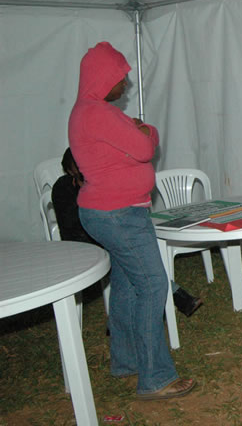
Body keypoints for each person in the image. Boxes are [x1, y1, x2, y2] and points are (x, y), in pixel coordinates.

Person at [70, 42, 195, 400]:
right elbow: (144, 147)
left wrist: (143, 130)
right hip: (118, 214)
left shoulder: (94, 110)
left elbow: (141, 136)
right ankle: (155, 377)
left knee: (127, 285)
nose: (125, 85)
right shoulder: (96, 112)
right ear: (102, 77)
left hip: (113, 212)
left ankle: (126, 361)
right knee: (153, 286)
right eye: (120, 78)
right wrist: (147, 131)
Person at [53, 148, 203, 317]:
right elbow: (72, 223)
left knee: (134, 254)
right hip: (82, 244)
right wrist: (83, 192)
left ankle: (135, 313)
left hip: (108, 237)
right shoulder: (63, 187)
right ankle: (173, 299)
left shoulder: (100, 183)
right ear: (70, 170)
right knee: (132, 258)